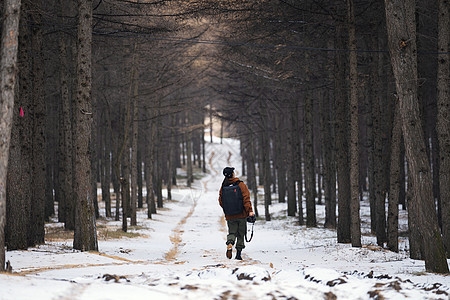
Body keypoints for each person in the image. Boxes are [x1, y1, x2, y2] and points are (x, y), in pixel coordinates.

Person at [218, 167, 254, 260]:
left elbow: (221, 201)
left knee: (232, 232)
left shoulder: (224, 186)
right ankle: (238, 254)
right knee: (241, 234)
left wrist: (228, 210)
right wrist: (249, 211)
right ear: (233, 174)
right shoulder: (240, 184)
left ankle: (230, 243)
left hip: (230, 215)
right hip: (241, 214)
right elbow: (246, 199)